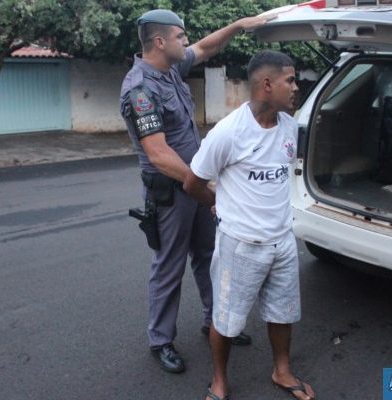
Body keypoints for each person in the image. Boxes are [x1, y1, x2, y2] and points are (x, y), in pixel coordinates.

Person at [119, 9, 270, 373]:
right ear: (160, 42)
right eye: (180, 36)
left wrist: (236, 26)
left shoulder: (170, 69)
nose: (186, 42)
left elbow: (205, 48)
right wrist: (202, 186)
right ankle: (160, 341)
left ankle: (215, 323)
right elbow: (158, 154)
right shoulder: (141, 89)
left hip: (196, 185)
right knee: (169, 267)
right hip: (172, 192)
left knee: (208, 256)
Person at [184, 50, 315, 400]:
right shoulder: (228, 132)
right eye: (290, 80)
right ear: (267, 84)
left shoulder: (290, 127)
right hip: (239, 244)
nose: (296, 87)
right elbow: (194, 182)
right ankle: (220, 381)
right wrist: (218, 204)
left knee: (282, 311)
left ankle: (282, 370)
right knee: (226, 319)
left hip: (282, 240)